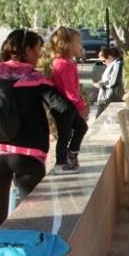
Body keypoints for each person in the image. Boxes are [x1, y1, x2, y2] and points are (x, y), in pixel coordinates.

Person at [0, 29, 75, 229]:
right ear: (27, 50)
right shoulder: (35, 79)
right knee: (32, 219)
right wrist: (63, 148)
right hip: (27, 158)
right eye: (37, 49)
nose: (39, 55)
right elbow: (64, 109)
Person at [48, 27, 90, 174]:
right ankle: (60, 163)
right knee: (64, 134)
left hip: (68, 106)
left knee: (81, 127)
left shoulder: (66, 63)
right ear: (67, 44)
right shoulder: (63, 64)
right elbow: (70, 90)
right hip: (63, 106)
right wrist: (81, 106)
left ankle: (71, 155)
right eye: (78, 42)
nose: (81, 46)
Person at [94, 47, 124, 117]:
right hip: (106, 98)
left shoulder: (117, 64)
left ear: (110, 57)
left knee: (99, 121)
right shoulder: (113, 65)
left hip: (109, 98)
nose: (103, 63)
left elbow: (112, 81)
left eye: (104, 61)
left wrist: (102, 84)